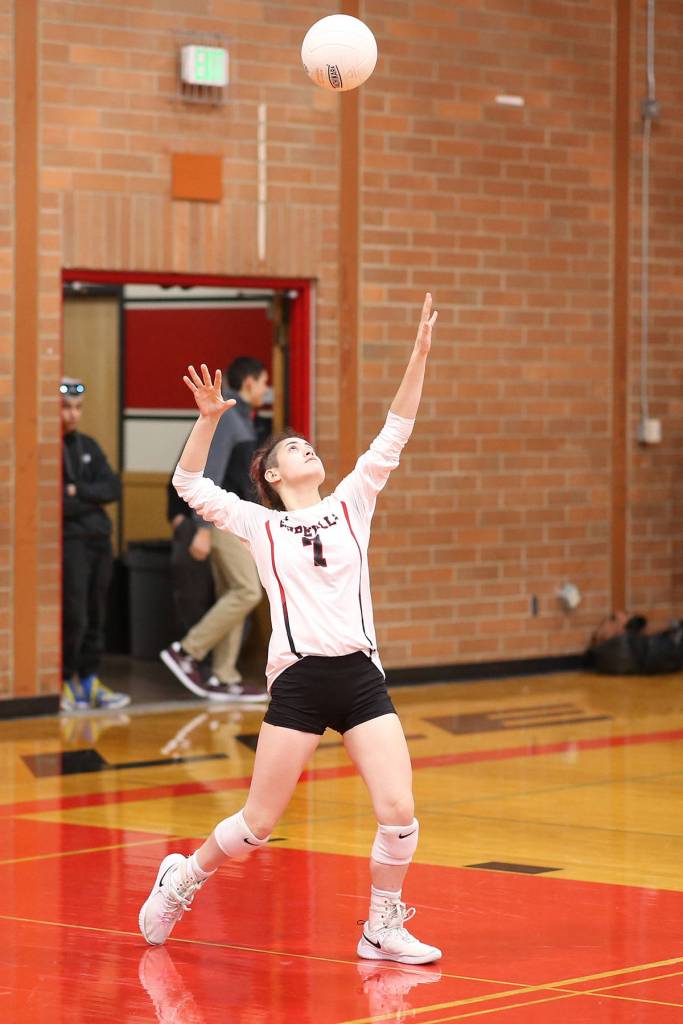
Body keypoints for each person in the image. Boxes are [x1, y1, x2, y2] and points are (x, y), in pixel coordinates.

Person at [139, 295, 442, 965]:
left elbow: (396, 427)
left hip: (360, 676)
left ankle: (380, 927)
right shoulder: (259, 522)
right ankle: (182, 877)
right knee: (256, 825)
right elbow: (188, 482)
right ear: (274, 476)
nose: (309, 449)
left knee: (398, 811)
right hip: (300, 682)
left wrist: (417, 356)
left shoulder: (353, 502)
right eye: (293, 449)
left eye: (309, 445)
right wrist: (209, 420)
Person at [160, 357, 270, 703]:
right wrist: (203, 528)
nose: (267, 389)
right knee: (248, 591)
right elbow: (208, 473)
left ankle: (224, 676)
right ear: (250, 383)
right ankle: (187, 651)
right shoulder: (228, 417)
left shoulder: (242, 420)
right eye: (264, 381)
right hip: (222, 521)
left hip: (236, 522)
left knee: (233, 593)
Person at [61, 377, 130, 712]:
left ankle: (90, 680)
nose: (72, 415)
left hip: (98, 541)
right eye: (65, 408)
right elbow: (55, 503)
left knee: (96, 614)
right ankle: (66, 680)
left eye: (77, 408)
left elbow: (112, 488)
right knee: (75, 615)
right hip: (70, 542)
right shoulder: (47, 450)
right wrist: (85, 498)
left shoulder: (87, 446)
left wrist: (78, 492)